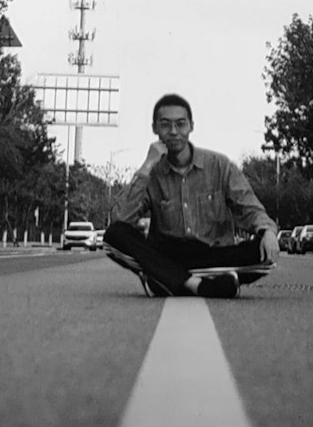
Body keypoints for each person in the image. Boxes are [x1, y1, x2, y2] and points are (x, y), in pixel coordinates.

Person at [104, 93, 280, 299]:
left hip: (213, 255)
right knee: (113, 236)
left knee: (264, 252)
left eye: (180, 124)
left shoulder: (219, 165)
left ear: (191, 126)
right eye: (165, 125)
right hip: (167, 255)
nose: (173, 132)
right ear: (155, 128)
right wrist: (147, 165)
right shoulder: (151, 173)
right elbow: (122, 220)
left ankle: (164, 280)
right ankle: (200, 283)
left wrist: (267, 231)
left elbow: (249, 207)